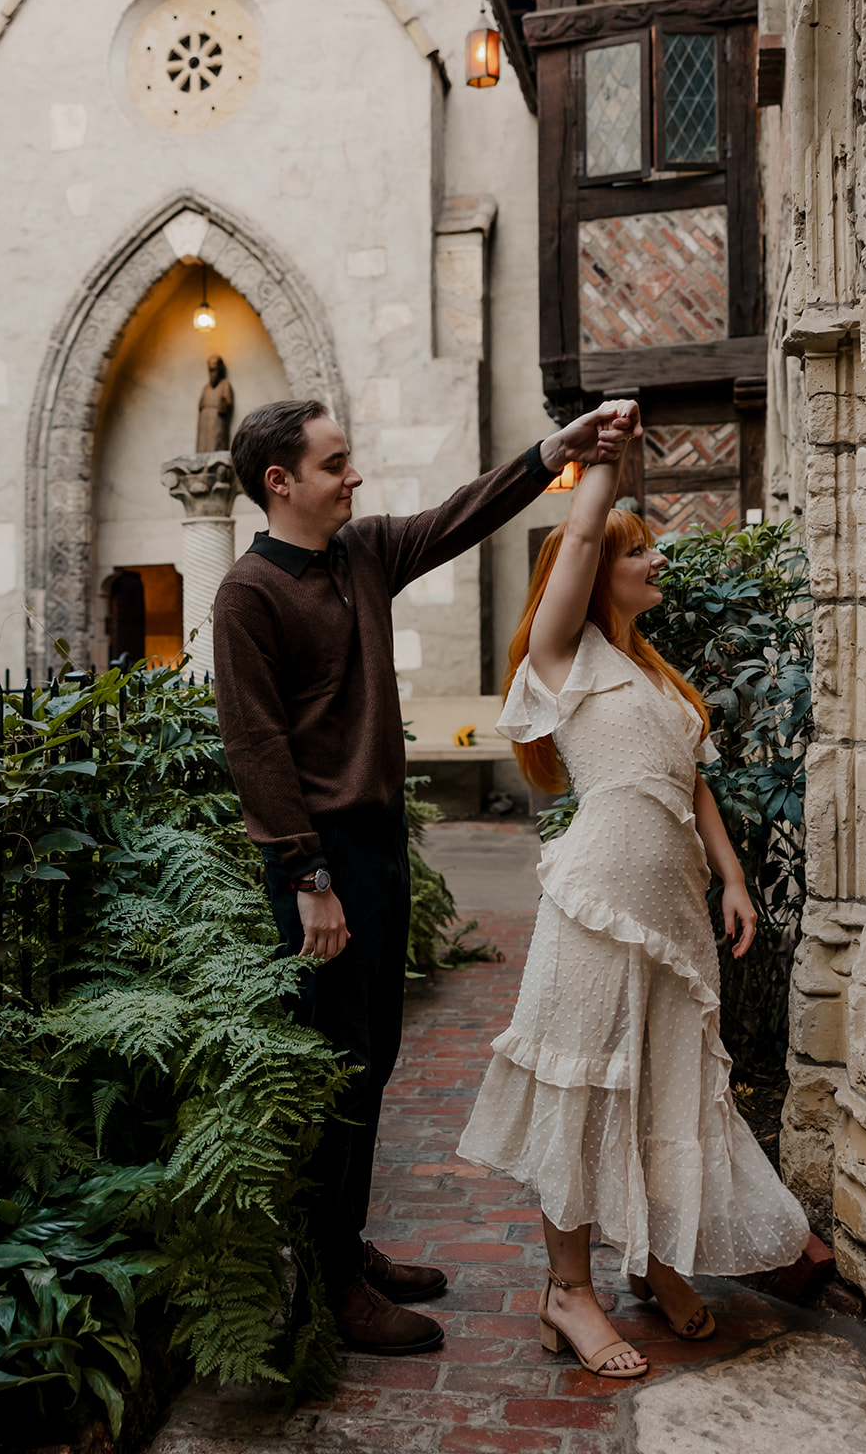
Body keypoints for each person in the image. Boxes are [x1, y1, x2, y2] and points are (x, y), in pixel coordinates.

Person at [212, 395, 641, 1357]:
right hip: (318, 865)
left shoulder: (361, 554)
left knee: (373, 1058)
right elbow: (255, 744)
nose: (351, 476)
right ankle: (327, 1284)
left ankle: (344, 1246)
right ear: (280, 483)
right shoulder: (248, 593)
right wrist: (307, 878)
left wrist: (554, 452)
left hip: (375, 849)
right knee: (335, 1068)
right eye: (333, 464)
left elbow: (461, 514)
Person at [458, 407, 810, 1380]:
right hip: (599, 904)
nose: (657, 562)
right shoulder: (561, 657)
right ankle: (566, 1292)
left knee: (667, 1079)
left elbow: (689, 783)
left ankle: (653, 1261)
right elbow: (575, 531)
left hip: (674, 912)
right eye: (640, 552)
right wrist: (600, 464)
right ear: (597, 569)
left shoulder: (651, 674)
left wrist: (732, 880)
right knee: (584, 1080)